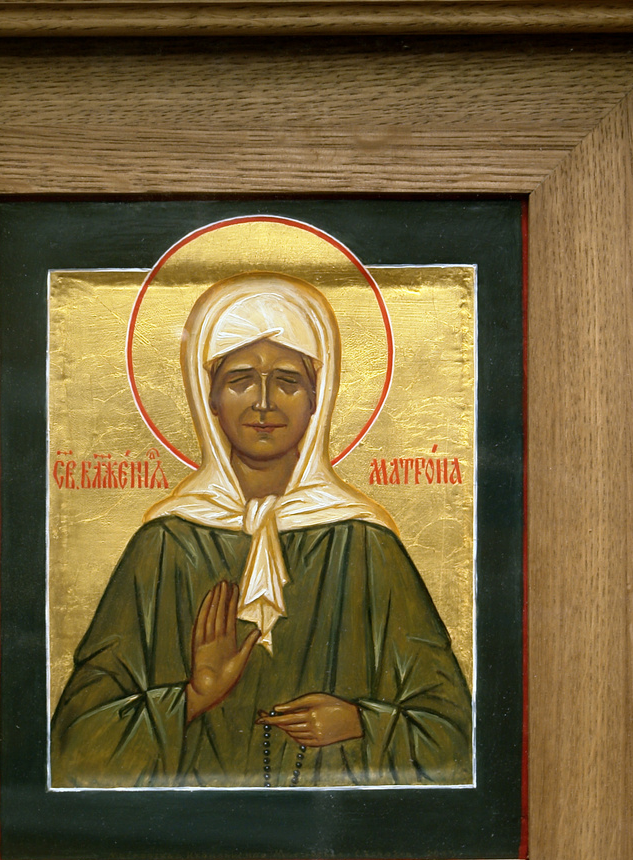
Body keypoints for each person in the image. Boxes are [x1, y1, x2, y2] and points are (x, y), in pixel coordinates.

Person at [50, 271, 472, 788]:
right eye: (240, 379)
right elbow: (74, 747)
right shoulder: (162, 548)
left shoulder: (366, 547)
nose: (264, 402)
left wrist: (361, 723)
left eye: (288, 381)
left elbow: (455, 735)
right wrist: (193, 697)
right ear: (209, 397)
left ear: (318, 397)